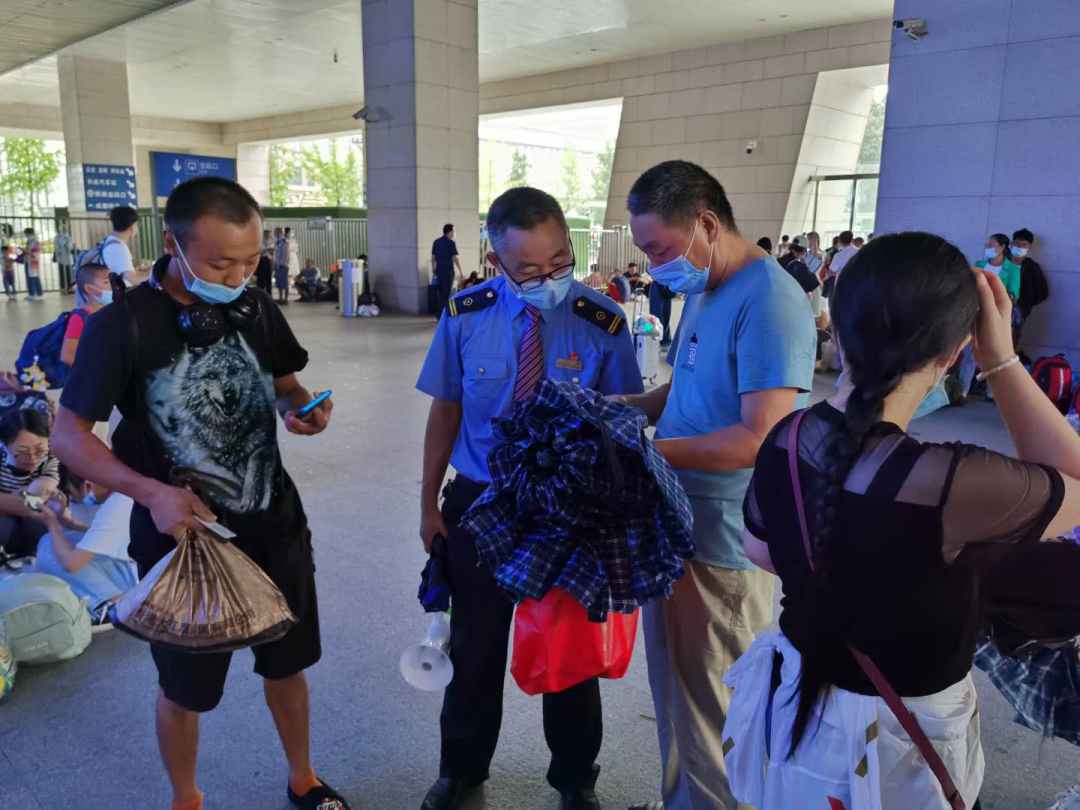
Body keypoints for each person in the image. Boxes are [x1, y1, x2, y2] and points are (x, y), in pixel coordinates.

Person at [726, 231, 1080, 810]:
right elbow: (1076, 484)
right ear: (955, 351)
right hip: (899, 747)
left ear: (836, 331)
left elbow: (760, 550)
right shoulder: (949, 485)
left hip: (794, 717)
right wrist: (1003, 360)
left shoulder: (788, 439)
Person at [51, 176, 348, 810]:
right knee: (185, 688)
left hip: (274, 524)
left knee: (287, 666)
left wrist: (302, 408)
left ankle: (304, 781)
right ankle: (187, 798)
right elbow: (68, 436)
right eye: (221, 262)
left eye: (250, 259)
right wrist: (150, 492)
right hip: (179, 539)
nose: (239, 274)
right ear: (175, 246)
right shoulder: (122, 326)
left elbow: (286, 383)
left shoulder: (255, 305)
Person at [416, 186, 643, 810]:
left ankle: (575, 779)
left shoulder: (603, 320)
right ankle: (460, 770)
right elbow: (446, 410)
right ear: (496, 261)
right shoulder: (465, 313)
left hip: (568, 511)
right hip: (482, 502)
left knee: (568, 653)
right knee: (475, 646)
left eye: (560, 263)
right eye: (530, 271)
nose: (550, 280)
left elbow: (623, 422)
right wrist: (429, 504)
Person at [620, 161, 816, 810]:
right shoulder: (704, 291)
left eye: (659, 249)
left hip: (724, 543)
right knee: (675, 694)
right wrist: (619, 412)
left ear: (707, 223)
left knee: (716, 709)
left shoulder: (771, 300)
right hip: (675, 525)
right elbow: (680, 388)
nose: (653, 267)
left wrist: (645, 452)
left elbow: (762, 436)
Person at [34, 488, 137, 625]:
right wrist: (64, 520)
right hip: (136, 575)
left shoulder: (119, 503)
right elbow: (97, 535)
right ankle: (109, 600)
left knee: (51, 549)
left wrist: (52, 525)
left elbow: (72, 563)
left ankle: (110, 603)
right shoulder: (122, 497)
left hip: (146, 582)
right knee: (53, 540)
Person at [0, 409, 83, 558]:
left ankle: (30, 557)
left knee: (37, 524)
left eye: (39, 450)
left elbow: (36, 497)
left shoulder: (50, 459)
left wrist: (9, 503)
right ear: (4, 445)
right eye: (23, 451)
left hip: (35, 524)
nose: (32, 458)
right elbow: (33, 503)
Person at [61, 261, 113, 369]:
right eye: (107, 282)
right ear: (89, 289)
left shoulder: (113, 311)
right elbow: (67, 356)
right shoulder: (80, 318)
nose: (114, 286)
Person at [1012, 227, 1049, 346]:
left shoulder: (1032, 267)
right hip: (994, 308)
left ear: (1029, 247)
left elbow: (1043, 293)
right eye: (1017, 244)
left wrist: (1024, 305)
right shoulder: (1000, 263)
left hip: (1018, 313)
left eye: (1024, 244)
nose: (1020, 247)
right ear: (1011, 244)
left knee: (1011, 340)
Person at [100, 205, 147, 287]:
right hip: (117, 296)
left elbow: (123, 272)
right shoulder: (118, 248)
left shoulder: (110, 241)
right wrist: (155, 273)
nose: (137, 228)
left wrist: (147, 271)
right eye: (136, 224)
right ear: (131, 226)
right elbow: (134, 280)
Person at [975, 233, 1021, 302]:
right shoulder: (979, 264)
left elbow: (1013, 296)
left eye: (990, 245)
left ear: (1002, 247)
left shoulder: (1013, 269)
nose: (987, 248)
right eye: (987, 245)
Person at [431, 223, 462, 318]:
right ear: (449, 232)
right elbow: (455, 258)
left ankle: (439, 314)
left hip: (439, 271)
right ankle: (443, 315)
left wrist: (434, 269)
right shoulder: (451, 243)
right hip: (448, 272)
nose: (454, 233)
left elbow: (433, 258)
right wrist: (461, 271)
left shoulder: (436, 242)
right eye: (453, 231)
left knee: (440, 294)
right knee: (446, 294)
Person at [21, 227, 43, 300]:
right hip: (31, 261)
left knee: (32, 277)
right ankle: (38, 293)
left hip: (32, 261)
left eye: (26, 234)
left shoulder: (34, 241)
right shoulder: (31, 241)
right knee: (34, 276)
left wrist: (24, 250)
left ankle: (33, 294)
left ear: (29, 233)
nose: (26, 235)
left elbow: (33, 252)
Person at [54, 222, 75, 294]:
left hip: (68, 258)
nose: (63, 229)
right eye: (62, 228)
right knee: (62, 274)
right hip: (61, 258)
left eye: (64, 228)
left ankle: (70, 288)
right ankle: (63, 288)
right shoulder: (57, 237)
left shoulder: (68, 237)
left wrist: (66, 243)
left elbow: (70, 247)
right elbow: (56, 248)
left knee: (69, 274)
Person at [273, 226, 290, 305]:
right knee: (279, 282)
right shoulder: (277, 241)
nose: (274, 233)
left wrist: (284, 264)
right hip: (278, 265)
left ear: (279, 232)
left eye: (275, 232)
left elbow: (285, 254)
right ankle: (280, 298)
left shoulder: (284, 240)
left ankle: (286, 299)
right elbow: (276, 254)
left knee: (285, 283)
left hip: (283, 265)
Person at [257, 228, 274, 294]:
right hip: (262, 260)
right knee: (261, 279)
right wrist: (267, 250)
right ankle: (260, 294)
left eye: (269, 234)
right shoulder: (260, 241)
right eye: (266, 234)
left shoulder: (271, 241)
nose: (268, 235)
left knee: (268, 278)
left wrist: (268, 251)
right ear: (264, 234)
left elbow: (272, 251)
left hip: (269, 260)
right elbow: (259, 251)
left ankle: (269, 295)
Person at [2, 224, 15, 301]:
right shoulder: (11, 239)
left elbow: (4, 251)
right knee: (11, 279)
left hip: (6, 261)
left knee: (6, 279)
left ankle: (10, 294)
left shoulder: (5, 239)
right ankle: (13, 293)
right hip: (9, 262)